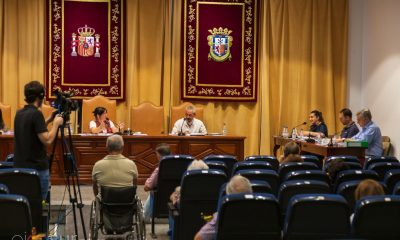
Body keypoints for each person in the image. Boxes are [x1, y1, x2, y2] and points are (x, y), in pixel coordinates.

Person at [14, 81, 64, 200]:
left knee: (26, 206)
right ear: (41, 96)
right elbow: (47, 140)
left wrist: (48, 120)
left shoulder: (19, 113)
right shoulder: (36, 114)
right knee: (38, 207)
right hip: (36, 170)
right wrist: (56, 124)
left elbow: (33, 130)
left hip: (21, 168)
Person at [194, 175, 253, 240]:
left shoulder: (221, 216)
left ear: (228, 195)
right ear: (251, 192)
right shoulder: (262, 212)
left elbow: (198, 238)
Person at [168, 160, 209, 237]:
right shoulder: (214, 189)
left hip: (186, 222)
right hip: (207, 220)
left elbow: (175, 202)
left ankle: (172, 233)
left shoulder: (183, 191)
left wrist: (174, 198)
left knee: (171, 207)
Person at [143, 143, 171, 221]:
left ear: (159, 156)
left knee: (153, 191)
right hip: (173, 197)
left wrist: (147, 181)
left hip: (160, 199)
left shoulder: (159, 170)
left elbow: (147, 187)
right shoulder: (179, 168)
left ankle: (144, 216)